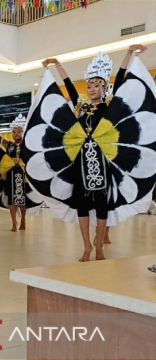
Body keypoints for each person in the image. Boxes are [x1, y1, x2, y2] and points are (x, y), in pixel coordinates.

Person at [23, 43, 156, 262]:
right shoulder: (81, 108)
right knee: (82, 207)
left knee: (102, 207)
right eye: (90, 85)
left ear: (104, 88)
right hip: (80, 164)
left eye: (96, 85)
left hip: (103, 164)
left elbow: (121, 79)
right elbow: (68, 86)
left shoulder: (110, 108)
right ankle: (86, 247)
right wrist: (58, 66)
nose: (92, 89)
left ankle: (100, 244)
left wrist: (129, 53)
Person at [0, 114, 41, 231]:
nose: (16, 134)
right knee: (12, 200)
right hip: (10, 175)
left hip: (23, 176)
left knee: (22, 201)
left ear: (22, 133)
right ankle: (13, 223)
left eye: (18, 132)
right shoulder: (9, 145)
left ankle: (23, 220)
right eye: (14, 132)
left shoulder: (27, 145)